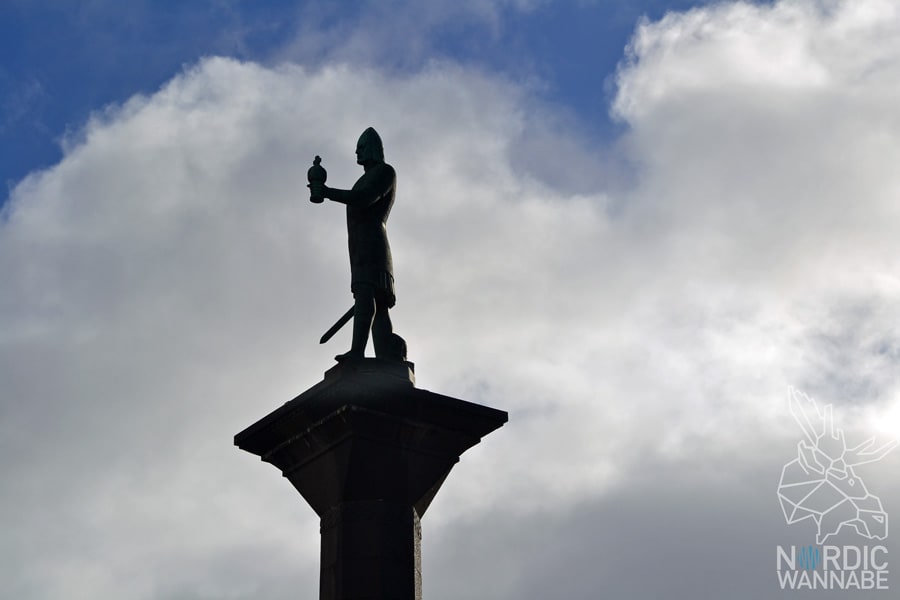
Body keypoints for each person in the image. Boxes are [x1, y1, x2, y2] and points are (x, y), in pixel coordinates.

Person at [309, 127, 407, 362]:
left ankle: (359, 352)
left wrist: (328, 192)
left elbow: (365, 198)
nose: (357, 152)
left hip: (373, 244)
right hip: (361, 246)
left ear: (373, 148)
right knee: (375, 302)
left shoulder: (385, 172)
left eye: (361, 147)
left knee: (369, 296)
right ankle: (385, 356)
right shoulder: (365, 178)